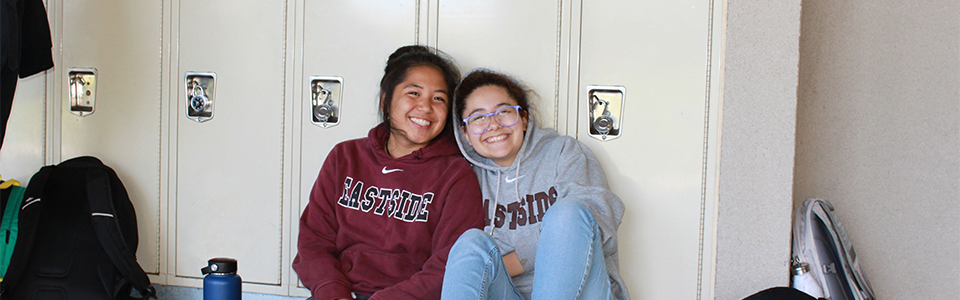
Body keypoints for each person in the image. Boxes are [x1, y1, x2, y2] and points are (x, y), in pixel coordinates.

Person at [292, 45, 484, 300]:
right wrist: (333, 293)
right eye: (414, 93)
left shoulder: (456, 175)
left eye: (439, 98)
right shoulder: (345, 157)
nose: (426, 107)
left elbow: (449, 266)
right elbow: (313, 241)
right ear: (386, 100)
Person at [441, 69, 629, 300]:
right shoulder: (467, 179)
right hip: (508, 293)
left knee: (568, 213)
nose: (494, 124)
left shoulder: (563, 152)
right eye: (479, 117)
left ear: (524, 119)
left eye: (504, 112)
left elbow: (595, 226)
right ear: (466, 133)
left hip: (584, 293)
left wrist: (517, 260)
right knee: (470, 244)